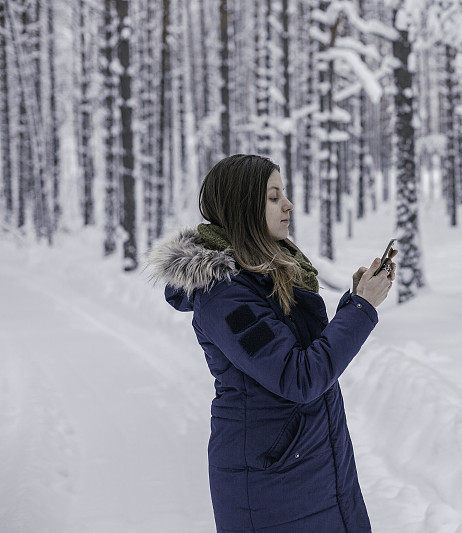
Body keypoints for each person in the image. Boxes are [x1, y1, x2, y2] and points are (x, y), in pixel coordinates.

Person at [144, 153, 396, 532]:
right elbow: (300, 377)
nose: (288, 205)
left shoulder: (267, 270)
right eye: (273, 197)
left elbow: (299, 351)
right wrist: (361, 309)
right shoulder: (225, 296)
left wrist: (353, 300)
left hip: (309, 463)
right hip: (271, 482)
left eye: (284, 194)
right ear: (243, 207)